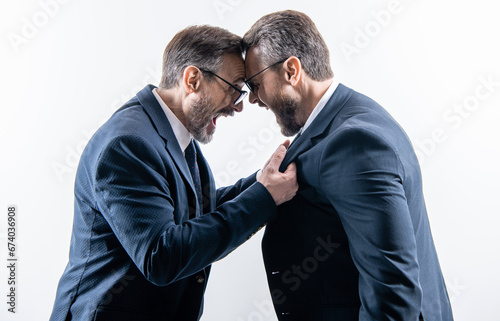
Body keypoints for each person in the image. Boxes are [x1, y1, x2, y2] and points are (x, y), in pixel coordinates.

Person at [49, 25, 298, 321]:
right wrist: (263, 198)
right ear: (192, 79)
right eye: (233, 88)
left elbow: (195, 210)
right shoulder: (127, 144)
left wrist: (263, 181)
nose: (238, 105)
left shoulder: (173, 134)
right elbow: (161, 256)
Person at [242, 10, 453, 321]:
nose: (253, 99)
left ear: (291, 71)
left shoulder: (355, 142)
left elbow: (392, 292)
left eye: (255, 83)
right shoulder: (343, 118)